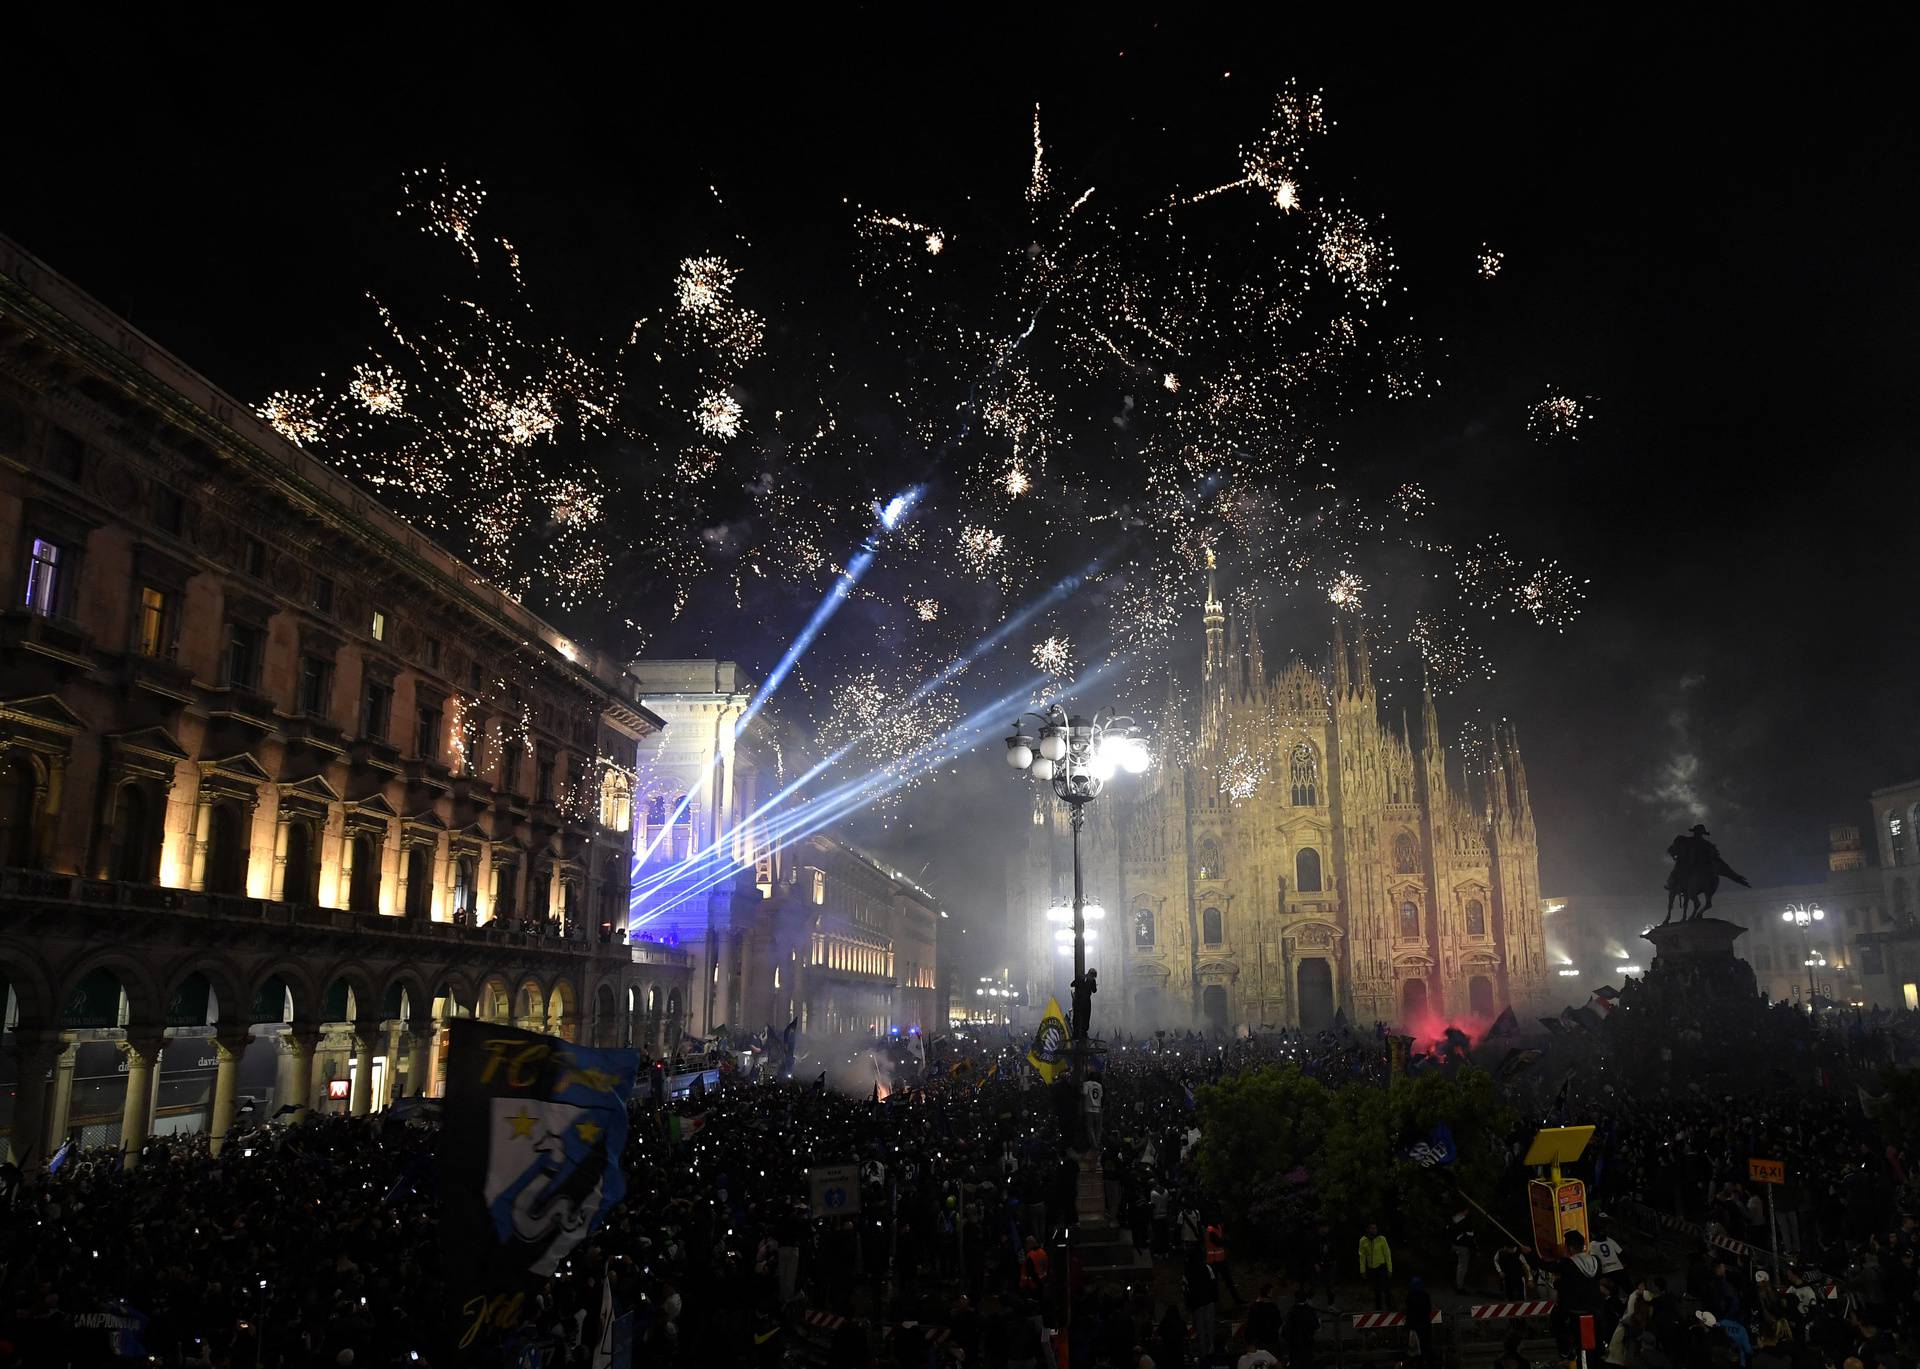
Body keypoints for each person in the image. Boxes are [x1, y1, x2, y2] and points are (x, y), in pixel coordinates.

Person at [1360, 1221, 1394, 1311]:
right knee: (1376, 1290)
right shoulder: (1363, 1240)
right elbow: (1362, 1256)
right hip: (1371, 1268)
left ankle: (1389, 1307)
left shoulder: (1381, 1239)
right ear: (1367, 1229)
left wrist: (1389, 1269)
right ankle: (1378, 1309)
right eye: (1372, 1228)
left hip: (1381, 1266)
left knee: (1386, 1288)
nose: (1374, 1230)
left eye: (1375, 1228)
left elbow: (1387, 1254)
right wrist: (1362, 1270)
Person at [1284, 1290, 1321, 1369]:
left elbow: (1287, 1328)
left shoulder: (1292, 1311)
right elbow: (1316, 1325)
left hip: (1295, 1343)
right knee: (1307, 1362)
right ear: (1306, 1299)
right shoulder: (1310, 1310)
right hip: (1307, 1341)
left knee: (1296, 1363)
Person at [1406, 1276, 1434, 1366]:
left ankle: (1419, 1363)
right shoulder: (1426, 1296)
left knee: (1416, 1349)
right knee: (1427, 1345)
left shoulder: (1410, 1297)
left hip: (1415, 1326)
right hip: (1425, 1325)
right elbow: (1429, 1309)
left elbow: (1408, 1311)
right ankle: (1429, 1363)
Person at [1449, 1208, 1477, 1294]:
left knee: (1461, 1267)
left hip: (1457, 1245)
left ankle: (1459, 1285)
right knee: (1462, 1267)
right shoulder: (1462, 1220)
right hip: (1461, 1246)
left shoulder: (1458, 1218)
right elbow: (1468, 1234)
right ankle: (1459, 1287)